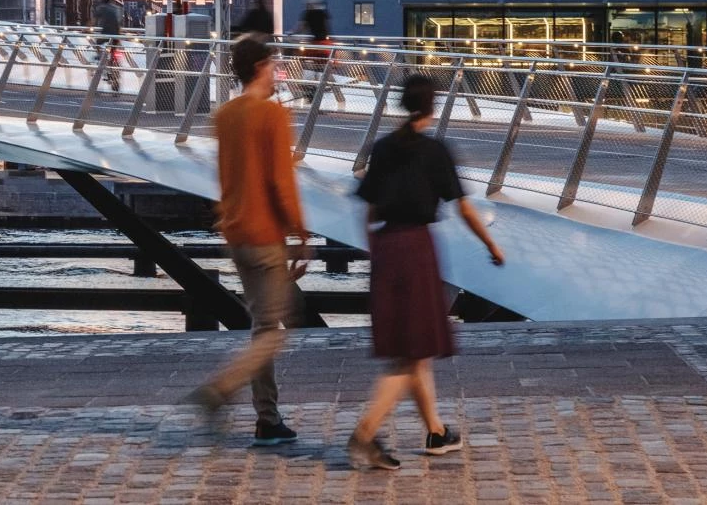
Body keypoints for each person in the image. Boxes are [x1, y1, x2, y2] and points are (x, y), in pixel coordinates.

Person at [347, 74, 505, 470]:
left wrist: (375, 248)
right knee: (411, 353)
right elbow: (464, 208)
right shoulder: (436, 151)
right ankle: (364, 435)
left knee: (414, 350)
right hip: (418, 250)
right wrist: (491, 245)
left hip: (387, 247)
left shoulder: (382, 149)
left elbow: (367, 211)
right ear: (432, 107)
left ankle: (436, 431)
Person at [189, 33, 309, 447]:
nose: (278, 73)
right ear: (260, 68)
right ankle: (220, 390)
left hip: (235, 232)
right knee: (274, 333)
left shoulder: (224, 115)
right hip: (265, 235)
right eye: (274, 65)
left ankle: (268, 420)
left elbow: (225, 177)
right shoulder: (272, 115)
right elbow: (280, 182)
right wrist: (301, 234)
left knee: (262, 326)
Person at [92, 0, 124, 93]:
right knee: (114, 51)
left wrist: (87, 27)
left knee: (97, 43)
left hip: (106, 33)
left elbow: (94, 20)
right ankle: (113, 66)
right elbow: (120, 22)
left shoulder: (102, 8)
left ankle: (100, 55)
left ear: (102, 1)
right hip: (116, 35)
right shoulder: (116, 8)